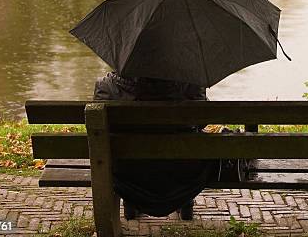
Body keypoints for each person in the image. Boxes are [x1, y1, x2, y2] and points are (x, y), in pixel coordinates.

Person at [93, 71, 219, 220]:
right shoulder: (192, 85)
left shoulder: (106, 86)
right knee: (192, 144)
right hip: (185, 173)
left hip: (127, 175)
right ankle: (186, 202)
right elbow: (202, 121)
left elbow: (101, 127)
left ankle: (130, 204)